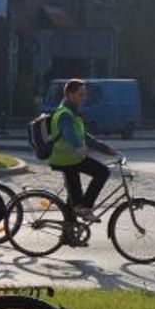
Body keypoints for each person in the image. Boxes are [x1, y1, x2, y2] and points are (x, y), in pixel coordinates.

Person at [47, 79, 118, 221]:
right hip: (66, 159)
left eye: (84, 94)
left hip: (72, 159)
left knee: (74, 200)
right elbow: (69, 134)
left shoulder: (73, 113)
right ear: (69, 94)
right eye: (80, 94)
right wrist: (79, 146)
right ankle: (86, 208)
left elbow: (84, 136)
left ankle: (69, 234)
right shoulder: (65, 114)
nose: (83, 97)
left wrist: (104, 148)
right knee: (102, 172)